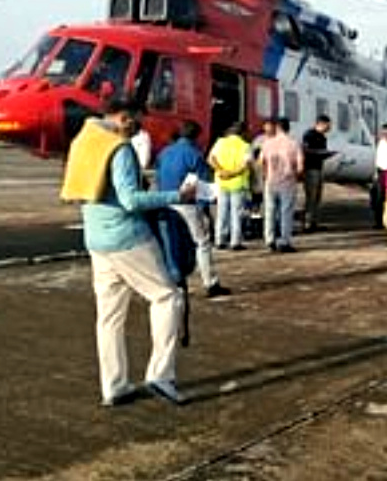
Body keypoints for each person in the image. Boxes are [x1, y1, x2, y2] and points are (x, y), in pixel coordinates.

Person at [60, 97, 190, 407]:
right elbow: (130, 200)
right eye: (137, 120)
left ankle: (114, 385)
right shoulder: (119, 148)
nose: (140, 127)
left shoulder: (84, 139)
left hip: (95, 238)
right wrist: (177, 195)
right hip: (127, 237)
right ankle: (161, 375)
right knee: (166, 297)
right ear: (124, 117)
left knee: (109, 317)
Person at [154, 120, 229, 299]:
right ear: (197, 136)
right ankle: (210, 282)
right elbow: (203, 185)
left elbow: (157, 176)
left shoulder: (165, 152)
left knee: (171, 242)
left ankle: (174, 279)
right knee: (201, 242)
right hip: (186, 204)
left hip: (165, 201)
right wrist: (204, 209)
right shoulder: (194, 154)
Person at [208, 122, 253, 252]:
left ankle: (219, 240)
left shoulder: (220, 142)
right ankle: (235, 242)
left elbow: (211, 159)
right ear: (242, 133)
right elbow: (246, 165)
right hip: (237, 183)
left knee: (221, 212)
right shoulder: (245, 146)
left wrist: (222, 171)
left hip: (221, 182)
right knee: (236, 213)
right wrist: (232, 174)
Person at [260, 117, 303, 253]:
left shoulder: (267, 143)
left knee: (270, 211)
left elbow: (261, 161)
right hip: (287, 182)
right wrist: (295, 176)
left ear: (277, 127)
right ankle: (284, 241)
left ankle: (269, 239)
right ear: (288, 128)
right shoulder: (294, 144)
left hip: (271, 181)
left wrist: (266, 175)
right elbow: (301, 166)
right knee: (286, 211)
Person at [302, 115, 332, 232]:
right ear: (321, 123)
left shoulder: (322, 137)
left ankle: (314, 222)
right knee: (311, 197)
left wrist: (326, 154)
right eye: (328, 125)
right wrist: (319, 153)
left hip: (319, 168)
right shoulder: (309, 135)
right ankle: (307, 223)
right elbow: (306, 150)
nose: (329, 127)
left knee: (317, 197)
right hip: (310, 169)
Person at [371, 123, 387, 228]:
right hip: (380, 171)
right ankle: (378, 221)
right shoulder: (381, 143)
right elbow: (378, 158)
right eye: (383, 132)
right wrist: (375, 173)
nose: (384, 134)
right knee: (378, 197)